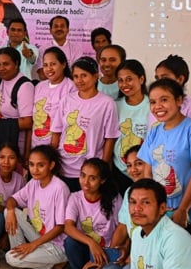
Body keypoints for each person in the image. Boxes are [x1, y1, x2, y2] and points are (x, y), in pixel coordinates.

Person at [139, 78, 191, 234]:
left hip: (188, 215)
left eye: (164, 100)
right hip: (160, 213)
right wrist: (153, 206)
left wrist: (183, 209)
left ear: (179, 100)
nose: (157, 106)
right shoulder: (154, 131)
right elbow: (148, 172)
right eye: (153, 102)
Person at [50, 56, 119, 192]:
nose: (79, 80)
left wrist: (102, 168)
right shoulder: (66, 100)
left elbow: (110, 138)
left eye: (84, 75)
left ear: (96, 76)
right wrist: (53, 162)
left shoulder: (107, 103)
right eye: (76, 76)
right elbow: (57, 132)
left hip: (90, 172)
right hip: (64, 167)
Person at [4, 145, 70, 269]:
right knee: (9, 211)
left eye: (41, 165)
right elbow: (12, 200)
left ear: (51, 165)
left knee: (11, 258)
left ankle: (60, 263)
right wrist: (10, 211)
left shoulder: (59, 188)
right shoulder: (34, 182)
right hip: (40, 237)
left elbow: (61, 227)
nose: (35, 169)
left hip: (57, 245)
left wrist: (32, 245)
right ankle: (40, 264)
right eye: (31, 164)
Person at [63, 159, 124, 269]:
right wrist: (91, 243)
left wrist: (107, 253)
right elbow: (68, 227)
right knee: (70, 242)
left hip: (108, 249)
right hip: (86, 247)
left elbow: (122, 227)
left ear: (102, 180)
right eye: (83, 175)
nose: (85, 182)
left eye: (92, 178)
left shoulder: (114, 198)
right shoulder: (75, 198)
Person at [0, 47, 34, 165]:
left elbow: (27, 122)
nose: (1, 68)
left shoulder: (24, 86)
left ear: (16, 64)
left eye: (6, 64)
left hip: (15, 149)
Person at [29, 47, 75, 155]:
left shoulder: (71, 87)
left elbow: (68, 123)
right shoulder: (39, 86)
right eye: (45, 65)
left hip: (56, 150)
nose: (49, 68)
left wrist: (52, 151)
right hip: (36, 147)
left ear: (63, 64)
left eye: (53, 64)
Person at [114, 59, 150, 192]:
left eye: (129, 79)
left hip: (145, 171)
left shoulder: (151, 105)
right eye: (120, 80)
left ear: (141, 79)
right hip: (119, 171)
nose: (124, 84)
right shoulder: (114, 105)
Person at [153, 55, 191, 124]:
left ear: (180, 79)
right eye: (157, 78)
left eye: (164, 78)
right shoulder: (154, 105)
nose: (159, 82)